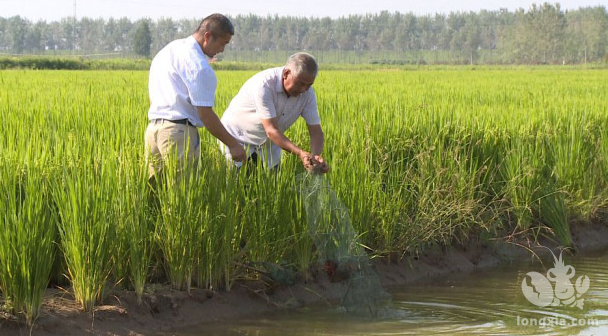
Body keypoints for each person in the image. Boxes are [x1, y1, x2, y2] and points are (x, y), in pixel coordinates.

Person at [145, 13, 245, 179]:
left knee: (155, 192)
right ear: (207, 36)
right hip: (178, 133)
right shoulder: (199, 66)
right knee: (181, 195)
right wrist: (233, 145)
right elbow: (205, 114)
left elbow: (153, 98)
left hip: (153, 130)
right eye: (222, 43)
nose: (222, 50)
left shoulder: (169, 50)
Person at [220, 52, 329, 174]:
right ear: (286, 73)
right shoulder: (264, 85)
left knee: (271, 187)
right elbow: (271, 130)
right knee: (240, 185)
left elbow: (316, 132)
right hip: (239, 139)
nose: (304, 90)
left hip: (269, 146)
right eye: (300, 83)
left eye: (309, 85)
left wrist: (315, 157)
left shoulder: (308, 94)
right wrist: (300, 153)